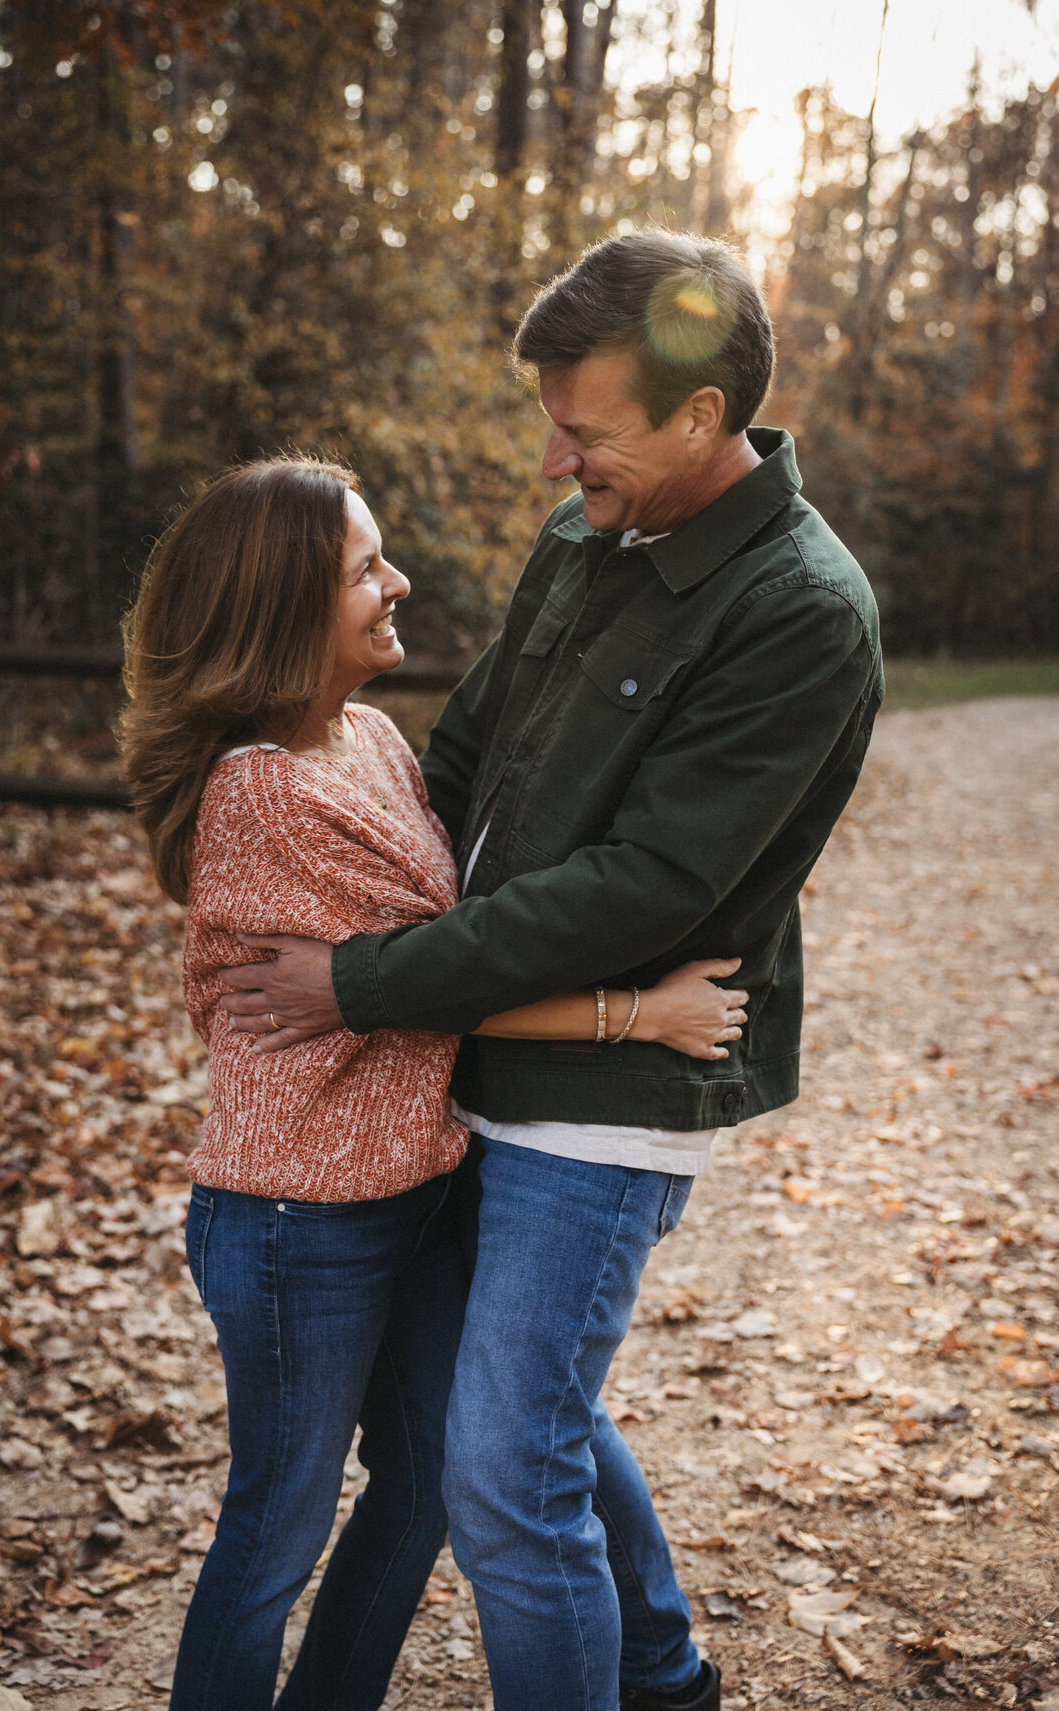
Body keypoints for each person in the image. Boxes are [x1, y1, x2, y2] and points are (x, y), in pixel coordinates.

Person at [217, 229, 885, 1711]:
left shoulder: (801, 611)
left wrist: (369, 979)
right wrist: (333, 887)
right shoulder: (589, 537)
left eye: (580, 430)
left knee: (507, 1470)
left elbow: (644, 887)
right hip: (466, 1046)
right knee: (511, 1416)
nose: (548, 461)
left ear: (700, 416)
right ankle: (660, 1666)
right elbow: (464, 757)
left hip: (604, 1087)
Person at [119, 454, 750, 1711]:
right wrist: (638, 1013)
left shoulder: (367, 738)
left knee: (422, 1489)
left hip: (407, 1194)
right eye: (365, 569)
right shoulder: (263, 793)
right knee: (274, 1535)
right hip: (297, 1221)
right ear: (284, 608)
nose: (397, 581)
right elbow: (439, 977)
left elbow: (436, 949)